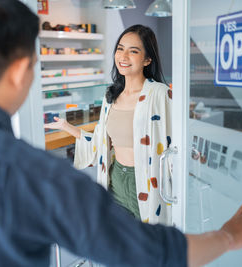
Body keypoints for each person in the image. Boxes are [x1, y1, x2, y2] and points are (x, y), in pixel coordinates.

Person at [0, 0, 242, 266]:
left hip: (151, 187)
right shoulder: (34, 175)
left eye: (132, 50)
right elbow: (149, 251)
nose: (123, 56)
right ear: (23, 70)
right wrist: (229, 237)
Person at [45, 25, 172, 224]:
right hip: (115, 180)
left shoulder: (159, 94)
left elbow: (173, 144)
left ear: (147, 60)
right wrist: (66, 126)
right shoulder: (111, 96)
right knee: (120, 243)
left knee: (148, 245)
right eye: (120, 49)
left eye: (133, 51)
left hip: (147, 182)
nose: (123, 56)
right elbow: (100, 142)